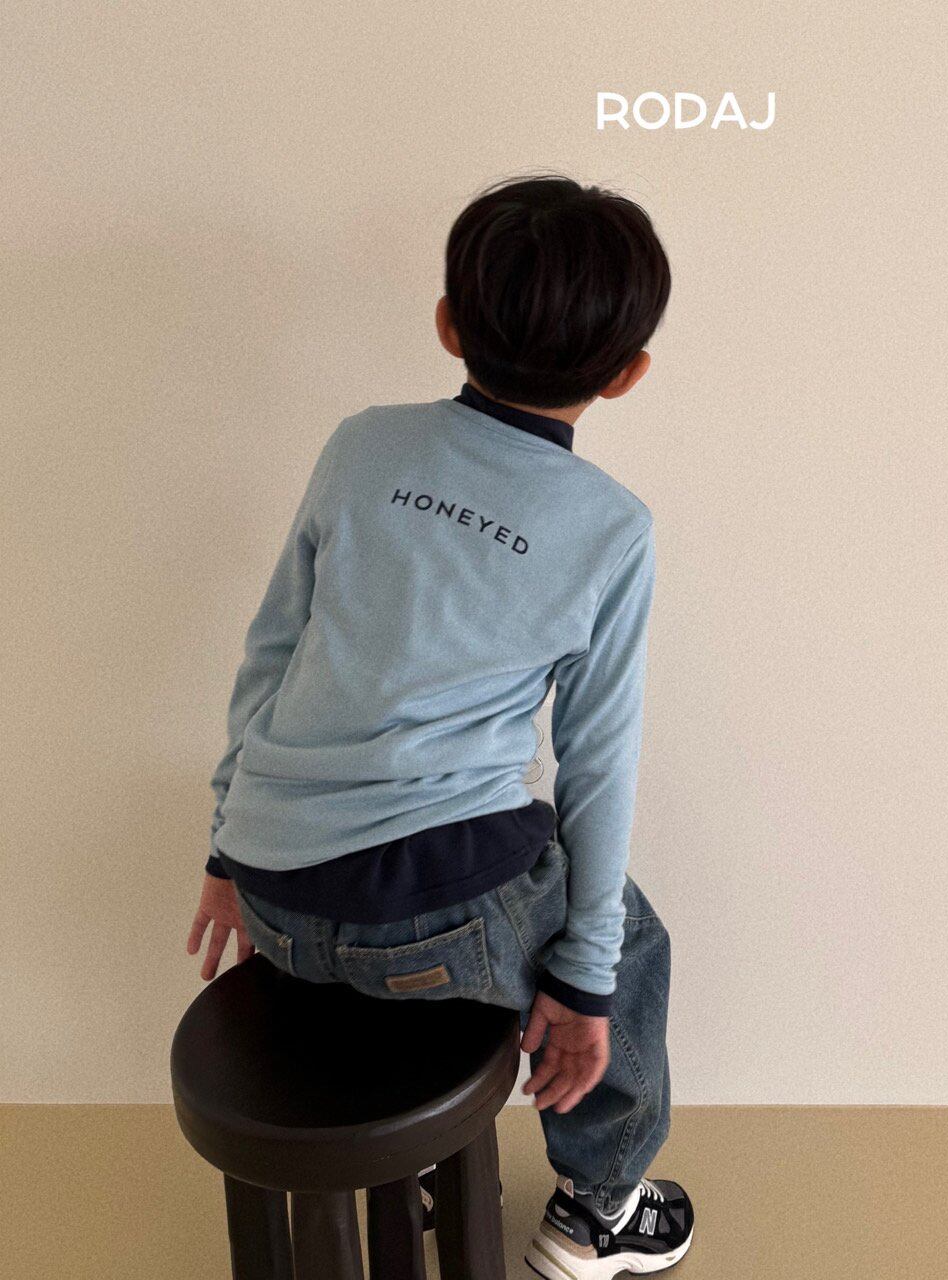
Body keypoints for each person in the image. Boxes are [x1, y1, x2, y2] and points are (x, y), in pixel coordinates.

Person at [185, 174, 693, 1278]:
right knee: (630, 938)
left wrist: (228, 846)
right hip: (437, 921)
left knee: (448, 917)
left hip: (272, 898)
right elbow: (597, 765)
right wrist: (584, 983)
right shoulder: (610, 526)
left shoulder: (361, 445)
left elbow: (270, 654)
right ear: (627, 373)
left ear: (448, 323)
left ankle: (411, 1159)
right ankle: (600, 1207)